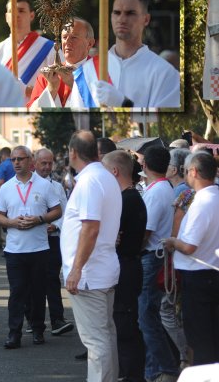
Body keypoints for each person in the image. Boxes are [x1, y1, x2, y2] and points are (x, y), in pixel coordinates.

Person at [61, 130, 122, 381]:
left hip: (90, 273)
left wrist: (76, 269)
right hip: (100, 268)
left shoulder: (89, 181)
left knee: (96, 341)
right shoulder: (105, 176)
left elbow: (90, 227)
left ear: (73, 153)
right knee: (105, 334)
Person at [0, 146, 62, 349]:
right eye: (13, 159)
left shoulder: (44, 185)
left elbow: (57, 210)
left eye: (20, 159)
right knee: (17, 293)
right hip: (14, 250)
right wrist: (12, 223)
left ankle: (38, 329)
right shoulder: (6, 187)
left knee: (39, 292)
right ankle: (14, 333)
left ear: (30, 160)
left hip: (39, 248)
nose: (16, 163)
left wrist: (40, 219)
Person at [69, 0, 180, 108]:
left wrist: (124, 104)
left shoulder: (165, 73)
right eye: (117, 13)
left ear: (146, 19)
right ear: (111, 17)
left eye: (130, 13)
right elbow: (77, 119)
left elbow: (163, 123)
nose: (122, 19)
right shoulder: (87, 70)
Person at [162, 152, 219, 365]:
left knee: (202, 340)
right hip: (211, 273)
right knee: (212, 337)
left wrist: (172, 242)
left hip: (199, 277)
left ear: (194, 172)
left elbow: (188, 246)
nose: (186, 175)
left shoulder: (202, 202)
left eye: (186, 171)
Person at [102, 150, 147, 382]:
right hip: (128, 266)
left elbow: (110, 235)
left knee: (124, 325)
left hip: (125, 268)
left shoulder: (125, 200)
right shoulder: (131, 197)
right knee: (124, 323)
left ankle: (131, 375)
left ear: (115, 171)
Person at [136, 146, 180, 382]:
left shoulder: (156, 192)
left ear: (144, 166)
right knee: (150, 316)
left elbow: (146, 232)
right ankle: (154, 370)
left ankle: (168, 366)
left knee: (146, 317)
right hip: (156, 256)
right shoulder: (164, 188)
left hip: (151, 256)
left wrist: (134, 249)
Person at [31, 149, 74, 337]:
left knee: (51, 279)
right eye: (43, 163)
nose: (47, 167)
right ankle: (33, 320)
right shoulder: (26, 185)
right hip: (31, 239)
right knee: (31, 281)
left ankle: (57, 319)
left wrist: (55, 226)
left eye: (50, 163)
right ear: (35, 163)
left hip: (52, 239)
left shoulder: (56, 187)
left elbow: (65, 213)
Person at [0, 0, 60, 97]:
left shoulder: (50, 48)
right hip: (3, 111)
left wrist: (25, 90)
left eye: (21, 11)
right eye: (12, 11)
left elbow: (61, 88)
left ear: (31, 16)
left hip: (35, 111)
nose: (16, 15)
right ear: (6, 17)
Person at [28, 17, 96, 108]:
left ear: (90, 44)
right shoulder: (48, 76)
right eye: (64, 37)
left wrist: (74, 84)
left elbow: (105, 109)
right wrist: (51, 89)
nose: (67, 42)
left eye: (74, 37)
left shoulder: (100, 72)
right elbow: (31, 116)